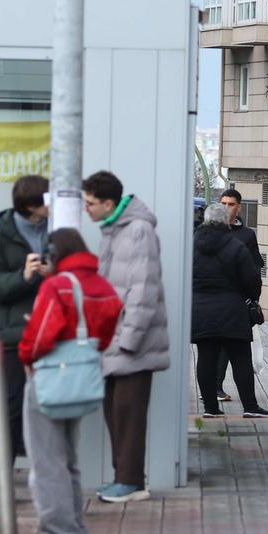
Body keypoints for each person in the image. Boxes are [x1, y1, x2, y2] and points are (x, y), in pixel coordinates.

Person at [19, 229, 122, 534]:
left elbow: (39, 336)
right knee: (68, 460)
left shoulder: (58, 285)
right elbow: (106, 331)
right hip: (82, 380)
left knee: (47, 461)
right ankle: (73, 528)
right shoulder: (101, 285)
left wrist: (26, 354)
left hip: (49, 378)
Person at [82, 170, 171, 503]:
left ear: (108, 203)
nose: (86, 209)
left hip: (131, 342)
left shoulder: (137, 230)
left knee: (128, 414)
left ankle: (131, 481)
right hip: (114, 338)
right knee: (114, 411)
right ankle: (124, 477)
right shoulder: (114, 230)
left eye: (90, 203)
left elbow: (143, 290)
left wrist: (129, 339)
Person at [0, 175, 50, 487]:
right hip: (16, 332)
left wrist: (53, 272)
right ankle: (0, 469)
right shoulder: (3, 234)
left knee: (50, 403)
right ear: (33, 205)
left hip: (52, 329)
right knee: (11, 403)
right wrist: (25, 275)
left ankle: (47, 469)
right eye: (46, 198)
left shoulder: (58, 229)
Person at [191, 204, 268, 418]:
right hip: (233, 310)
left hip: (200, 309)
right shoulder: (235, 247)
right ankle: (250, 406)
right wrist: (252, 298)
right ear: (227, 221)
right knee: (240, 358)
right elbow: (252, 281)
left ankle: (210, 408)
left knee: (206, 358)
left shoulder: (191, 245)